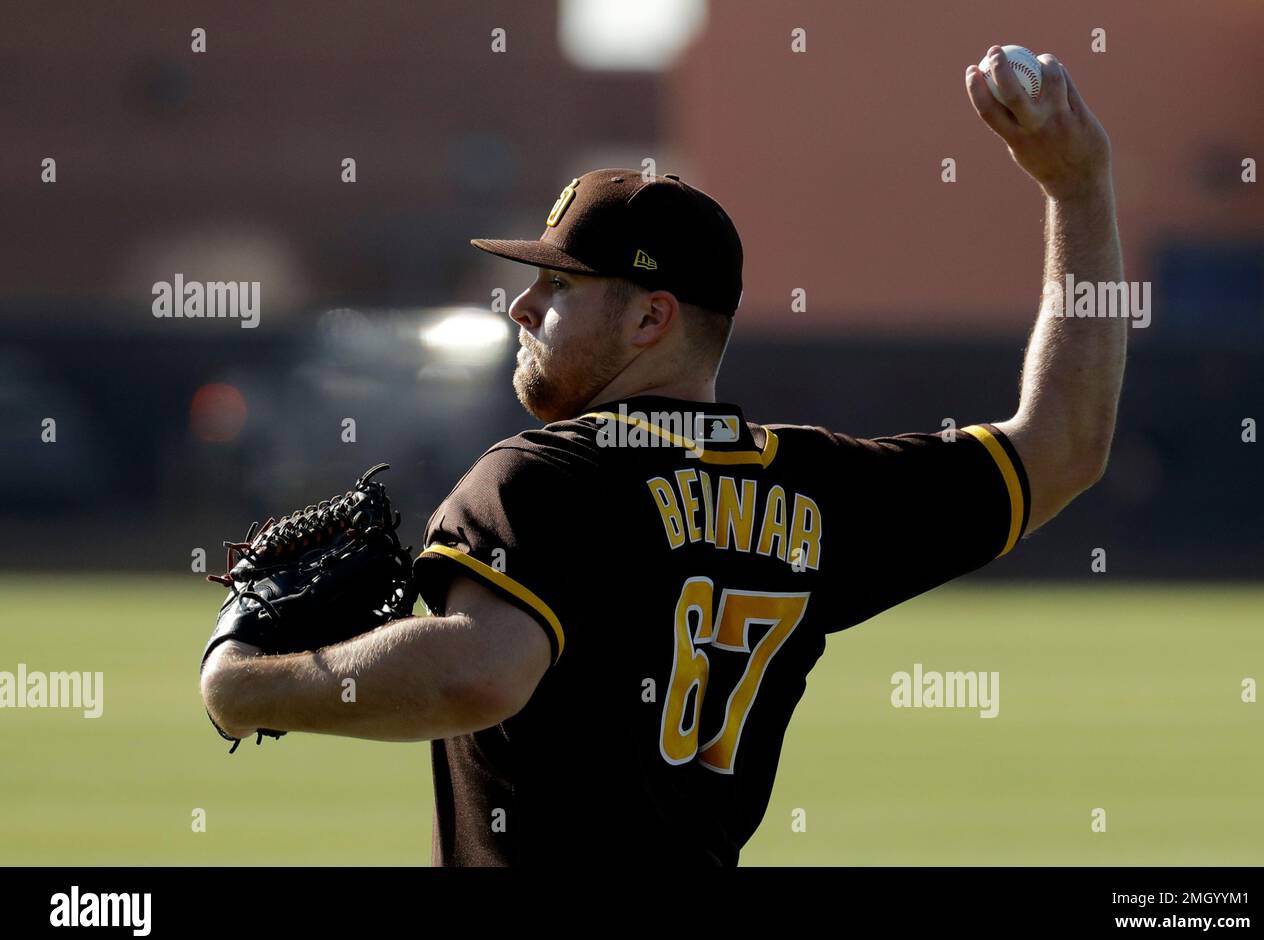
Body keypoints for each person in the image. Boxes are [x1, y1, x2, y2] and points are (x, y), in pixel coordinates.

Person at [201, 47, 1125, 866]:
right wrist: (1078, 191)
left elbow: (475, 673)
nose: (522, 308)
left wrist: (250, 688)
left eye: (558, 286)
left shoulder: (540, 479)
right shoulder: (815, 486)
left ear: (651, 317)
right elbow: (1065, 447)